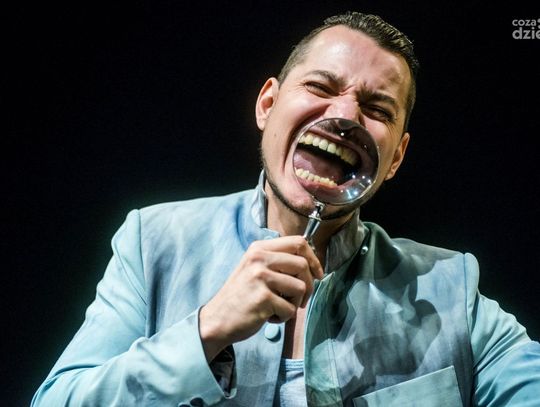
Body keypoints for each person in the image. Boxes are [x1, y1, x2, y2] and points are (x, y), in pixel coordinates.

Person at [32, 11, 540, 407]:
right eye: (320, 87)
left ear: (396, 159)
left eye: (376, 109)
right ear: (267, 105)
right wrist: (206, 330)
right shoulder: (156, 242)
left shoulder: (452, 287)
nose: (345, 115)